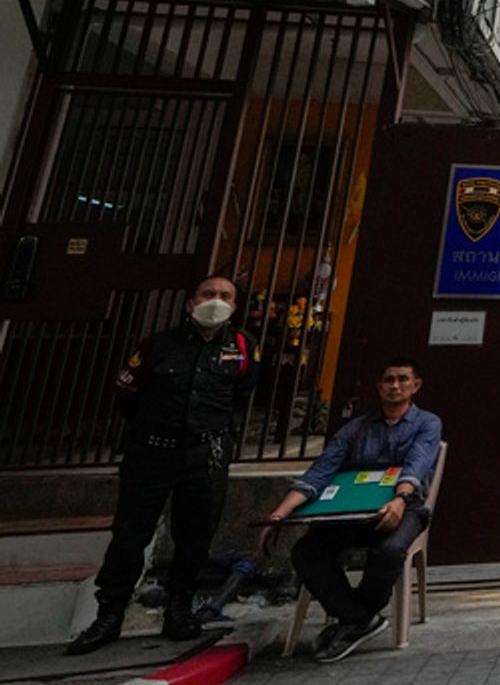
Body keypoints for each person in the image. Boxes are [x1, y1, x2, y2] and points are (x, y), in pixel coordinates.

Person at [67, 276, 255, 655]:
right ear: (190, 303)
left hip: (206, 455)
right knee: (130, 535)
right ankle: (109, 615)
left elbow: (243, 392)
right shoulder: (159, 345)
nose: (215, 302)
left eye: (224, 296)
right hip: (152, 451)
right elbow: (126, 396)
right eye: (208, 294)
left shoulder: (240, 347)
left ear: (235, 307)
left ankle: (180, 609)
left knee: (195, 536)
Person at [259, 357, 442, 664]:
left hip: (405, 508)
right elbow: (320, 471)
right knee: (307, 550)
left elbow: (417, 464)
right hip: (353, 512)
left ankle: (354, 620)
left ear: (415, 386)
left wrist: (399, 500)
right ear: (378, 386)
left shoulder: (427, 423)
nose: (394, 386)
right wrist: (279, 514)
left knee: (389, 551)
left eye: (402, 379)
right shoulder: (356, 429)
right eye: (388, 380)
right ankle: (358, 619)